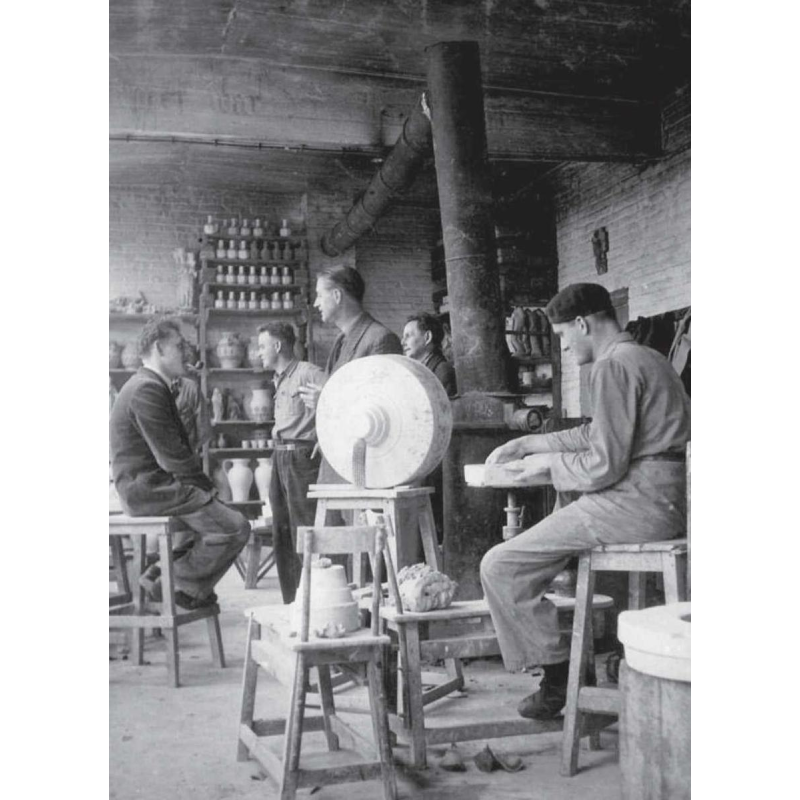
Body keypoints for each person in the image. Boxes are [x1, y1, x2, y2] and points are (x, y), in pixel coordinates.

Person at [479, 283, 690, 720]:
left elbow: (603, 464)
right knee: (554, 522)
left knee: (500, 565)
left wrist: (546, 468)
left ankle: (560, 676)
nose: (564, 345)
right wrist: (530, 444)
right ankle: (583, 648)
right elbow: (596, 434)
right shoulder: (648, 358)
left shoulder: (612, 367)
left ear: (582, 324)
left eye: (561, 336)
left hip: (639, 502)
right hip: (661, 498)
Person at [110, 317, 250, 610]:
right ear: (159, 348)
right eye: (179, 345)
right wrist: (208, 490)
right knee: (236, 528)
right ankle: (178, 585)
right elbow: (172, 458)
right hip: (150, 490)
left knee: (208, 528)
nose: (186, 351)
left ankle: (161, 576)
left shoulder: (150, 384)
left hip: (153, 486)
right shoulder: (146, 388)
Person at [298, 265, 403, 483]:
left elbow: (385, 408)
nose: (316, 303)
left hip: (364, 463)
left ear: (337, 296)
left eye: (319, 295)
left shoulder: (380, 339)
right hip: (338, 454)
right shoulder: (341, 340)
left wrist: (326, 401)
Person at [257, 321, 326, 604]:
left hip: (301, 457)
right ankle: (292, 602)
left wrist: (324, 437)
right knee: (282, 531)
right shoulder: (280, 378)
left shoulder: (308, 373)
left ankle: (314, 599)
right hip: (280, 455)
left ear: (277, 346)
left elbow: (339, 401)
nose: (258, 352)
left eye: (262, 346)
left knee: (304, 529)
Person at [402, 312, 457, 397]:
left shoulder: (443, 372)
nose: (402, 342)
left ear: (427, 337)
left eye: (408, 336)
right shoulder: (417, 370)